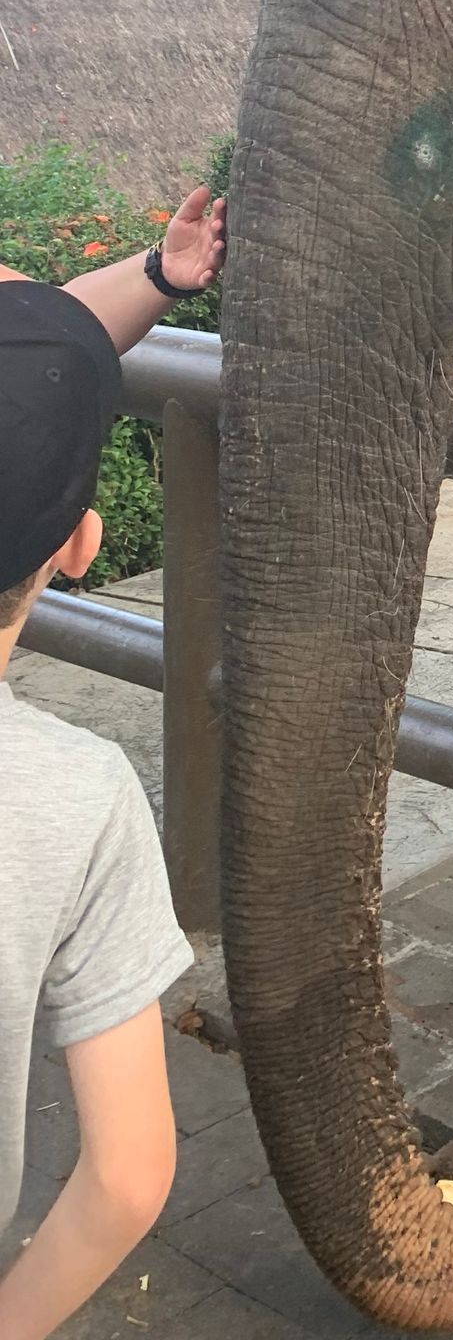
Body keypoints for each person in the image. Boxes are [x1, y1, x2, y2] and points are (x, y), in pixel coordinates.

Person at [0, 188, 225, 1338]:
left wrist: (156, 273)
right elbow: (130, 1178)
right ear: (84, 544)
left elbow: (31, 347)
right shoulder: (76, 797)